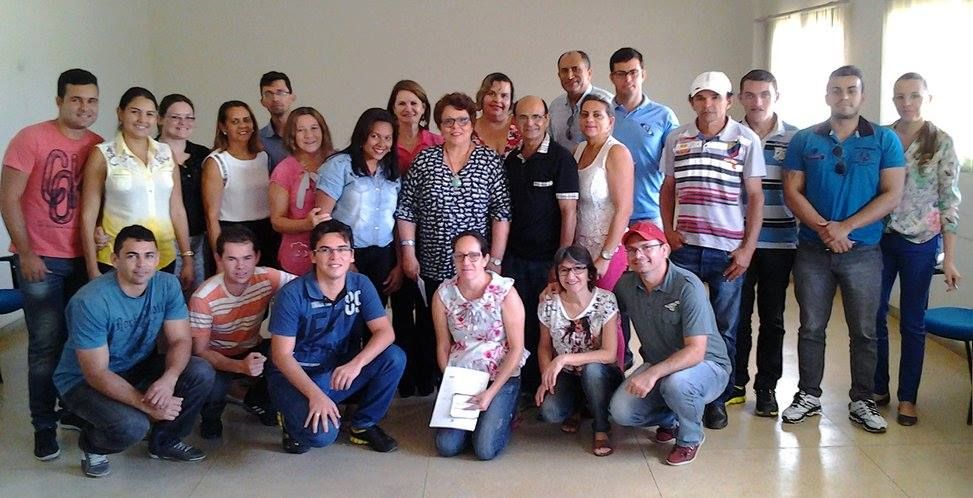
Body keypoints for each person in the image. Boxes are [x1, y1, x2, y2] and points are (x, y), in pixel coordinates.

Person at [781, 65, 905, 434]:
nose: (844, 96)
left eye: (851, 90)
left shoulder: (884, 140)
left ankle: (863, 399)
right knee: (811, 327)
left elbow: (892, 194)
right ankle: (808, 395)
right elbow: (792, 192)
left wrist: (845, 228)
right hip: (813, 251)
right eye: (836, 90)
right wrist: (826, 230)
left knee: (864, 330)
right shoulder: (805, 140)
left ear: (862, 96)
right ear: (827, 96)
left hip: (863, 252)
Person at [53, 225, 215, 478]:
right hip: (81, 381)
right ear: (114, 259)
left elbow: (181, 339)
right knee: (133, 426)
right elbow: (96, 373)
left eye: (148, 256)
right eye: (131, 256)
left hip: (135, 366)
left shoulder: (167, 285)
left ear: (157, 258)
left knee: (201, 371)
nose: (141, 265)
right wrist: (147, 407)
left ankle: (165, 441)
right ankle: (91, 445)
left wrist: (169, 379)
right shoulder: (90, 301)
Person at [0, 68, 102, 461]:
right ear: (59, 101)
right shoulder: (31, 138)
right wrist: (26, 252)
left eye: (91, 100)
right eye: (76, 99)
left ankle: (71, 409)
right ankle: (43, 426)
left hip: (84, 260)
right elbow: (9, 198)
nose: (84, 107)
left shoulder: (98, 145)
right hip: (41, 259)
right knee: (45, 346)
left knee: (80, 343)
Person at [659, 71, 766, 430]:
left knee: (724, 329)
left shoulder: (746, 140)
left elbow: (755, 197)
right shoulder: (677, 138)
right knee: (679, 326)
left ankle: (716, 400)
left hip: (727, 253)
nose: (708, 105)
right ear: (692, 102)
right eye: (701, 98)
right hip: (686, 249)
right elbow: (667, 187)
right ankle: (677, 396)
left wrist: (748, 249)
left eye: (715, 97)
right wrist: (668, 230)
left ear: (729, 101)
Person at [395, 92, 512, 396]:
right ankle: (440, 385)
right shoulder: (425, 160)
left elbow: (501, 213)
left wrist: (496, 260)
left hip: (475, 268)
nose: (456, 127)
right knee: (433, 327)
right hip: (432, 262)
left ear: (472, 123)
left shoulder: (489, 161)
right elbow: (406, 210)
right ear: (439, 125)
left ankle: (476, 385)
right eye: (448, 121)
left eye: (462, 120)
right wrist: (408, 252)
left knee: (474, 329)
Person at [267, 220, 405, 454]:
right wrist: (315, 395)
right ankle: (290, 419)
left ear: (352, 255)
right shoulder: (292, 295)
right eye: (325, 250)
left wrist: (356, 364)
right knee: (322, 436)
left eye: (342, 249)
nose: (335, 257)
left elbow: (385, 332)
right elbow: (281, 356)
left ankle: (363, 424)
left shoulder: (360, 284)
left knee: (393, 357)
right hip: (295, 376)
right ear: (313, 256)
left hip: (334, 371)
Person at [874, 72, 962, 426]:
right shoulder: (882, 136)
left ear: (928, 98)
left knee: (912, 322)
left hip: (921, 243)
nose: (907, 103)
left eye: (914, 96)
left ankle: (908, 397)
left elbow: (948, 202)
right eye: (900, 96)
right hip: (881, 238)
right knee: (873, 314)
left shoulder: (941, 142)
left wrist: (950, 258)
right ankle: (877, 387)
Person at [609, 222, 730, 466]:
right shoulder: (625, 285)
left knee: (677, 384)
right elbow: (600, 306)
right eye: (632, 250)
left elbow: (696, 352)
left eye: (646, 247)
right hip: (660, 365)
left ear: (665, 250)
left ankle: (690, 437)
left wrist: (652, 374)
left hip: (707, 366)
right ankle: (671, 419)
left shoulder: (687, 285)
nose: (638, 255)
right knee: (621, 411)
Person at [730, 69, 799, 417]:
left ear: (776, 96)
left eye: (765, 95)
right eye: (750, 95)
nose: (757, 102)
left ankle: (767, 387)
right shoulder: (731, 136)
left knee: (773, 318)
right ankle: (735, 383)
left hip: (780, 242)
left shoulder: (796, 139)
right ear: (740, 98)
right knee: (737, 317)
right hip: (737, 243)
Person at [80, 87, 194, 288]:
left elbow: (177, 209)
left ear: (156, 118)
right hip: (118, 258)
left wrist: (187, 257)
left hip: (162, 256)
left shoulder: (166, 153)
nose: (143, 119)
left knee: (157, 307)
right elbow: (88, 214)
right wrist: (91, 268)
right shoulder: (103, 154)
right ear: (120, 113)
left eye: (149, 114)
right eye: (135, 112)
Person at [189, 225, 296, 439]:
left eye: (247, 258)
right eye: (232, 259)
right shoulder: (203, 297)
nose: (241, 266)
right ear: (219, 259)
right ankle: (211, 416)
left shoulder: (267, 277)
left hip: (251, 346)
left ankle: (256, 399)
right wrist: (239, 367)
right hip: (216, 355)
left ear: (257, 257)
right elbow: (200, 351)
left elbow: (305, 286)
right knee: (210, 382)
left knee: (290, 352)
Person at [503, 95, 579, 394]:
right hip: (514, 259)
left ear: (547, 119)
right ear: (514, 121)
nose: (530, 123)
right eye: (523, 117)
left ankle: (545, 386)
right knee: (515, 323)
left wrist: (560, 265)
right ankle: (518, 386)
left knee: (544, 325)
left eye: (536, 117)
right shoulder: (511, 160)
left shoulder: (561, 159)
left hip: (547, 261)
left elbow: (569, 213)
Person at [432, 231, 527, 460]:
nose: (466, 262)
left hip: (499, 375)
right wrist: (451, 382)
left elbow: (516, 348)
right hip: (464, 375)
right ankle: (479, 420)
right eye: (460, 256)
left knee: (484, 449)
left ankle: (506, 409)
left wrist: (490, 393)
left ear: (485, 259)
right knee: (447, 446)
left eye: (474, 256)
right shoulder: (443, 294)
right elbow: (443, 345)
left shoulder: (505, 292)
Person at [386, 80, 443, 396]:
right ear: (393, 108)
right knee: (400, 309)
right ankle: (402, 377)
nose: (408, 109)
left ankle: (426, 373)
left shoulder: (436, 142)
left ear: (424, 109)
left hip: (430, 236)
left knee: (428, 312)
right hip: (392, 236)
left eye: (414, 103)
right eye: (402, 103)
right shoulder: (384, 142)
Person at [535, 245, 621, 456]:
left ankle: (601, 427)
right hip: (568, 375)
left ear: (589, 273)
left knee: (592, 370)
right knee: (549, 411)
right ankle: (578, 407)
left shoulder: (606, 300)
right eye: (564, 270)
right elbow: (544, 346)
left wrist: (563, 358)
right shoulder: (548, 303)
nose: (571, 276)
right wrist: (546, 377)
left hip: (601, 374)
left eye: (578, 269)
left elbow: (609, 353)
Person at [573, 94, 634, 368]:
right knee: (584, 316)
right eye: (585, 114)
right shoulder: (577, 151)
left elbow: (624, 208)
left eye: (597, 115)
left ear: (610, 121)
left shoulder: (617, 152)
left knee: (607, 317)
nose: (590, 119)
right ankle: (588, 378)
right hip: (581, 250)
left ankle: (614, 376)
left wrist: (606, 256)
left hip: (609, 248)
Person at [317, 108, 401, 303]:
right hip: (346, 254)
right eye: (375, 136)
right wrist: (343, 259)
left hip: (383, 255)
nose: (381, 144)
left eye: (387, 138)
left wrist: (398, 263)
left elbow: (397, 219)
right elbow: (322, 219)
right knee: (345, 312)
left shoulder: (391, 170)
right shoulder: (339, 165)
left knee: (374, 313)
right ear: (362, 136)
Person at [202, 100, 278, 269]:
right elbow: (211, 217)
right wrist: (219, 258)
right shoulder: (217, 162)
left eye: (246, 120)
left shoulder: (263, 157)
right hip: (231, 236)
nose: (243, 125)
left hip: (265, 234)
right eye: (235, 121)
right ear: (223, 127)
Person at [607, 47, 678, 227]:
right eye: (621, 74)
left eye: (633, 72)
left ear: (643, 74)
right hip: (608, 215)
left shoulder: (664, 116)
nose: (628, 79)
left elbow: (676, 166)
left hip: (649, 213)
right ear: (612, 77)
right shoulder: (601, 115)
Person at [158, 94, 212, 294]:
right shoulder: (150, 153)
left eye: (189, 118)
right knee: (167, 295)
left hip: (199, 240)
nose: (183, 123)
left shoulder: (203, 155)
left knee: (197, 295)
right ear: (160, 119)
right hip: (162, 239)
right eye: (176, 117)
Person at [269, 106, 334, 275]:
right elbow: (277, 221)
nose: (309, 135)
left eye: (314, 128)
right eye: (300, 130)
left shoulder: (338, 162)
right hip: (298, 256)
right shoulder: (284, 170)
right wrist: (306, 224)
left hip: (335, 256)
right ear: (292, 135)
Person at [550, 51, 614, 151]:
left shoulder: (608, 102)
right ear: (559, 75)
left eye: (575, 69)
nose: (570, 76)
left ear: (589, 73)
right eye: (564, 71)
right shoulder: (555, 106)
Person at [472, 72, 521, 157]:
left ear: (511, 101)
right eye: (491, 94)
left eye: (504, 96)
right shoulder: (468, 129)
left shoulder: (521, 127)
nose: (498, 100)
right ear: (481, 97)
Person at [258, 71, 296, 171]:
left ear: (292, 97)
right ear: (262, 101)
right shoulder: (258, 140)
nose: (275, 99)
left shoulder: (309, 133)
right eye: (268, 94)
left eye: (281, 92)